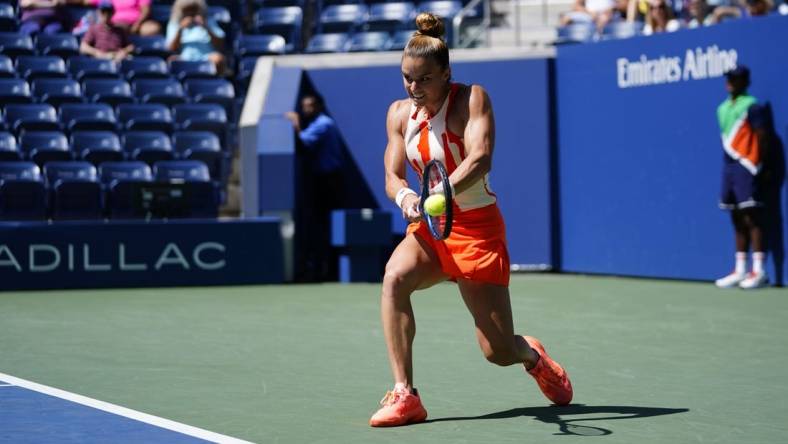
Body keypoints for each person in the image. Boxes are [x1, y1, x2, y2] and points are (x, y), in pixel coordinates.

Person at [368, 12, 573, 428]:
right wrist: (406, 195)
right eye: (407, 78)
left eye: (424, 79)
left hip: (477, 229)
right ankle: (405, 394)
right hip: (430, 230)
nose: (414, 87)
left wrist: (440, 192)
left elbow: (479, 158)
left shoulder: (472, 99)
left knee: (497, 351)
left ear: (446, 74)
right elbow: (392, 176)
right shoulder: (398, 113)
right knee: (393, 279)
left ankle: (532, 356)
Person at [714, 66, 770, 289]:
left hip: (747, 165)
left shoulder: (752, 106)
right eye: (728, 78)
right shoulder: (722, 108)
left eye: (734, 79)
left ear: (744, 82)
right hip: (729, 167)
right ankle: (740, 269)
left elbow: (762, 136)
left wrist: (759, 165)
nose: (730, 82)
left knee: (751, 217)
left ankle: (760, 271)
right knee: (736, 216)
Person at [284, 94, 345, 282]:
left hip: (328, 182)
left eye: (310, 106)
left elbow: (303, 142)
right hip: (324, 181)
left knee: (324, 227)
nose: (306, 109)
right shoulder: (320, 123)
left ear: (319, 106)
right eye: (304, 106)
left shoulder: (323, 124)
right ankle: (321, 268)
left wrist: (295, 124)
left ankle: (326, 271)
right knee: (320, 226)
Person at [166, 0, 225, 74]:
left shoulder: (208, 20)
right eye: (187, 11)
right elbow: (171, 48)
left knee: (218, 59)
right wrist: (180, 29)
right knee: (172, 61)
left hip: (207, 56)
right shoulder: (175, 23)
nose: (191, 13)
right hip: (185, 57)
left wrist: (206, 27)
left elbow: (220, 43)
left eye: (194, 10)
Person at [85, 0, 160, 36]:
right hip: (118, 24)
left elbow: (145, 10)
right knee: (119, 29)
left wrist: (137, 24)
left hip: (139, 23)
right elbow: (86, 1)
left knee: (154, 28)